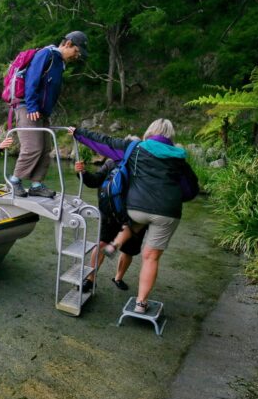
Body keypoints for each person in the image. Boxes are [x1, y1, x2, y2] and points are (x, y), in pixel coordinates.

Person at [70, 119, 199, 314]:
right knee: (149, 257)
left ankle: (118, 275)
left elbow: (104, 141)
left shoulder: (135, 150)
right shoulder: (178, 158)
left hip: (137, 208)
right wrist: (168, 197)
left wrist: (79, 133)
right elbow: (190, 191)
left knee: (130, 244)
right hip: (150, 211)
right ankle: (137, 302)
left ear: (149, 133)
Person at [9, 31, 89, 198]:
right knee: (32, 147)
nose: (77, 56)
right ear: (67, 44)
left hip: (41, 112)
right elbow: (32, 79)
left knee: (46, 148)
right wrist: (31, 106)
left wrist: (43, 111)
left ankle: (36, 185)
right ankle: (15, 181)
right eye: (76, 51)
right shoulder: (47, 54)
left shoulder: (60, 63)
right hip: (27, 107)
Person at [74, 155, 146, 293]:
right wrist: (82, 172)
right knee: (101, 244)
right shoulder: (112, 162)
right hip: (110, 215)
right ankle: (90, 279)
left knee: (128, 250)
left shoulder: (146, 165)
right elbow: (94, 181)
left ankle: (118, 278)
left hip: (135, 216)